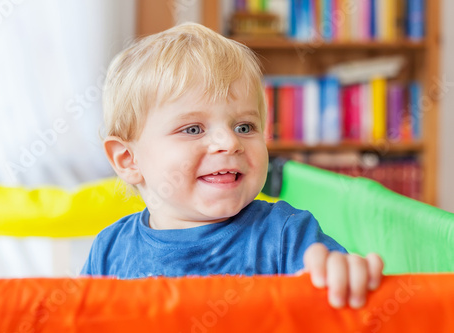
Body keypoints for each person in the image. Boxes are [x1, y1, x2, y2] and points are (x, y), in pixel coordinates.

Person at [81, 22, 383, 309]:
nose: (229, 142)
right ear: (128, 160)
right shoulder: (109, 252)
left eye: (244, 127)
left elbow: (336, 296)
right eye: (193, 129)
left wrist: (340, 275)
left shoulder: (286, 235)